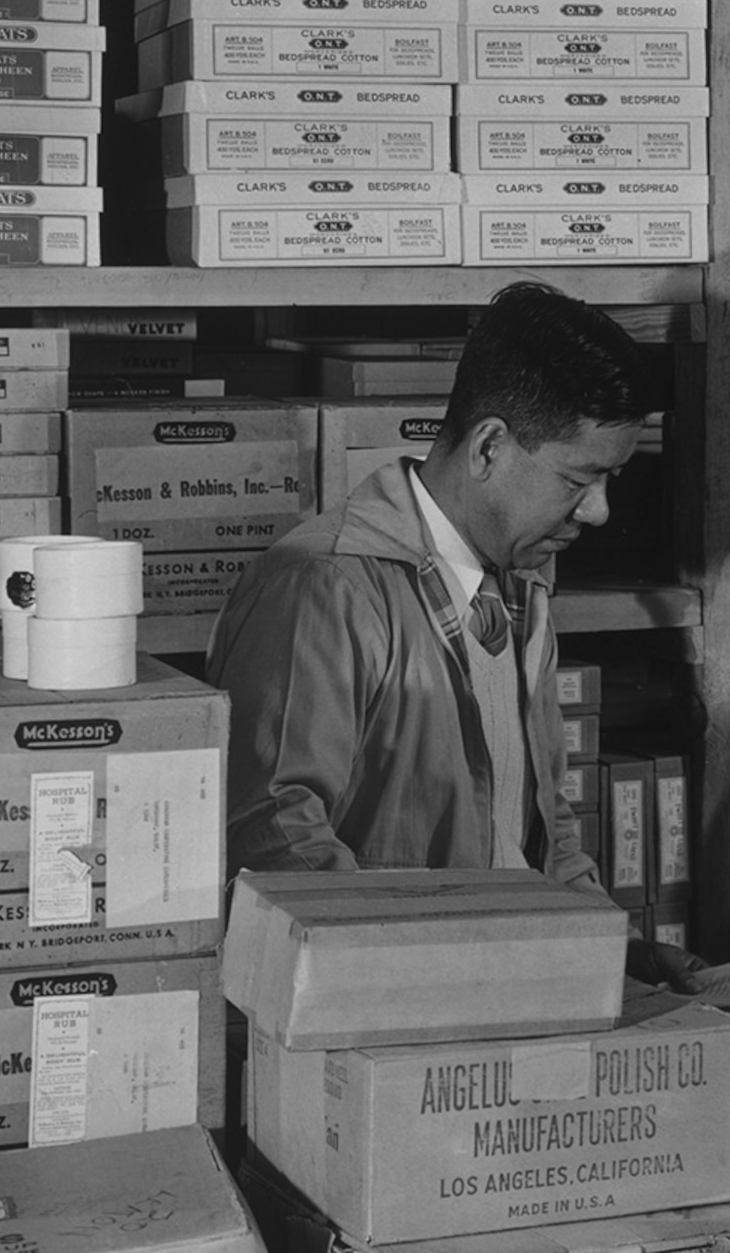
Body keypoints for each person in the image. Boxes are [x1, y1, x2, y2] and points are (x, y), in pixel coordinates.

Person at [211, 281, 647, 897]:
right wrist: (421, 972)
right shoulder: (324, 588)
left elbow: (545, 828)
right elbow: (275, 839)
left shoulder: (525, 584)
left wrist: (613, 948)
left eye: (611, 478)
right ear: (489, 447)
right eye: (581, 478)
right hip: (391, 986)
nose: (599, 511)